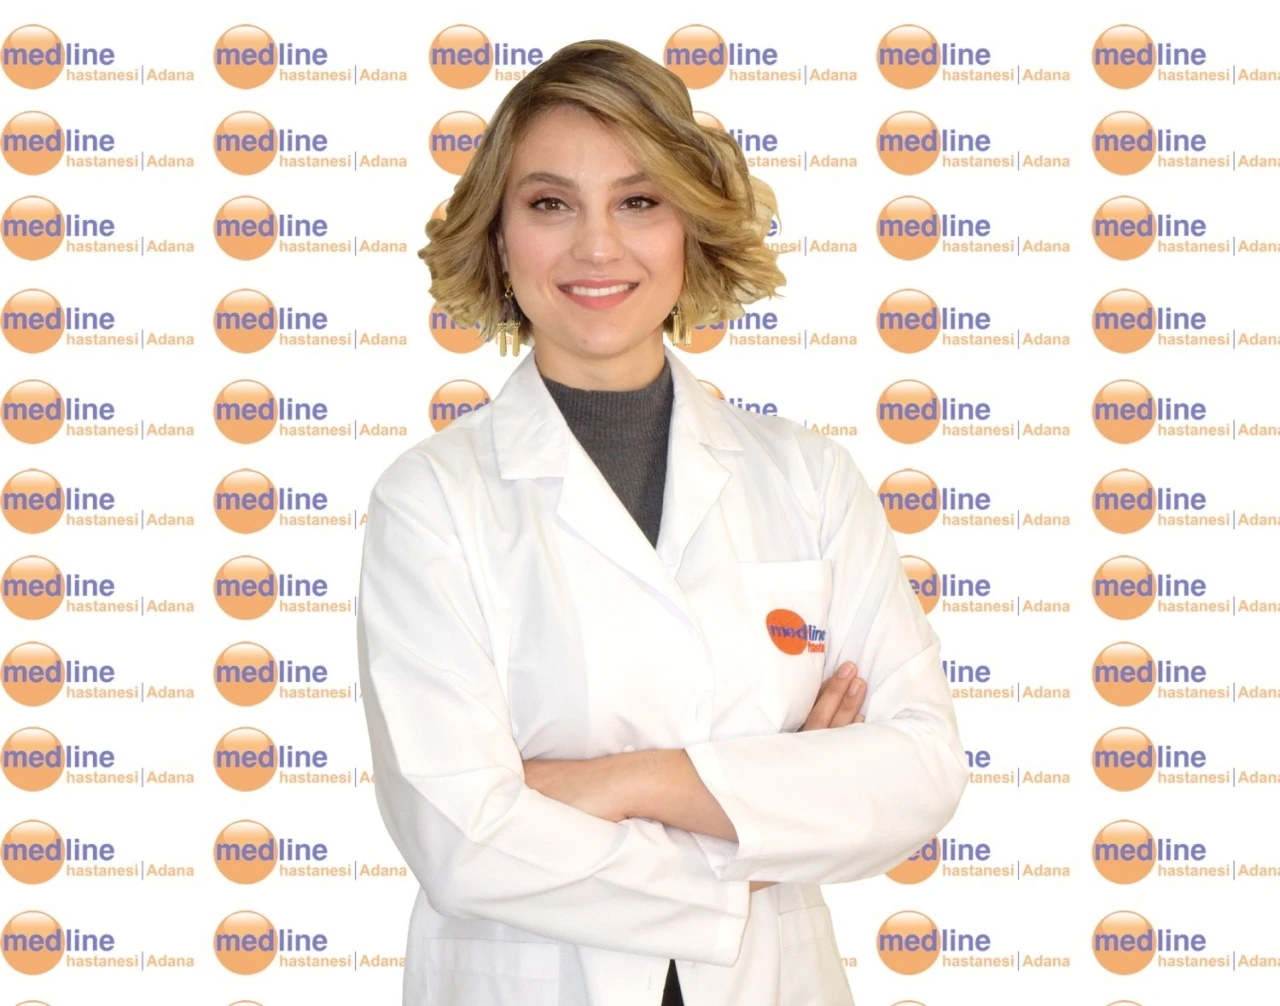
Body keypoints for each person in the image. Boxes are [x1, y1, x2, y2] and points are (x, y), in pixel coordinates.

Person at [356, 38, 966, 1006]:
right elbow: (461, 838)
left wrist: (628, 782)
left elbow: (918, 770)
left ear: (690, 226)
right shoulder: (431, 497)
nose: (598, 247)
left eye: (639, 201)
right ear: (500, 238)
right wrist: (768, 817)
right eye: (550, 204)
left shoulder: (807, 477)